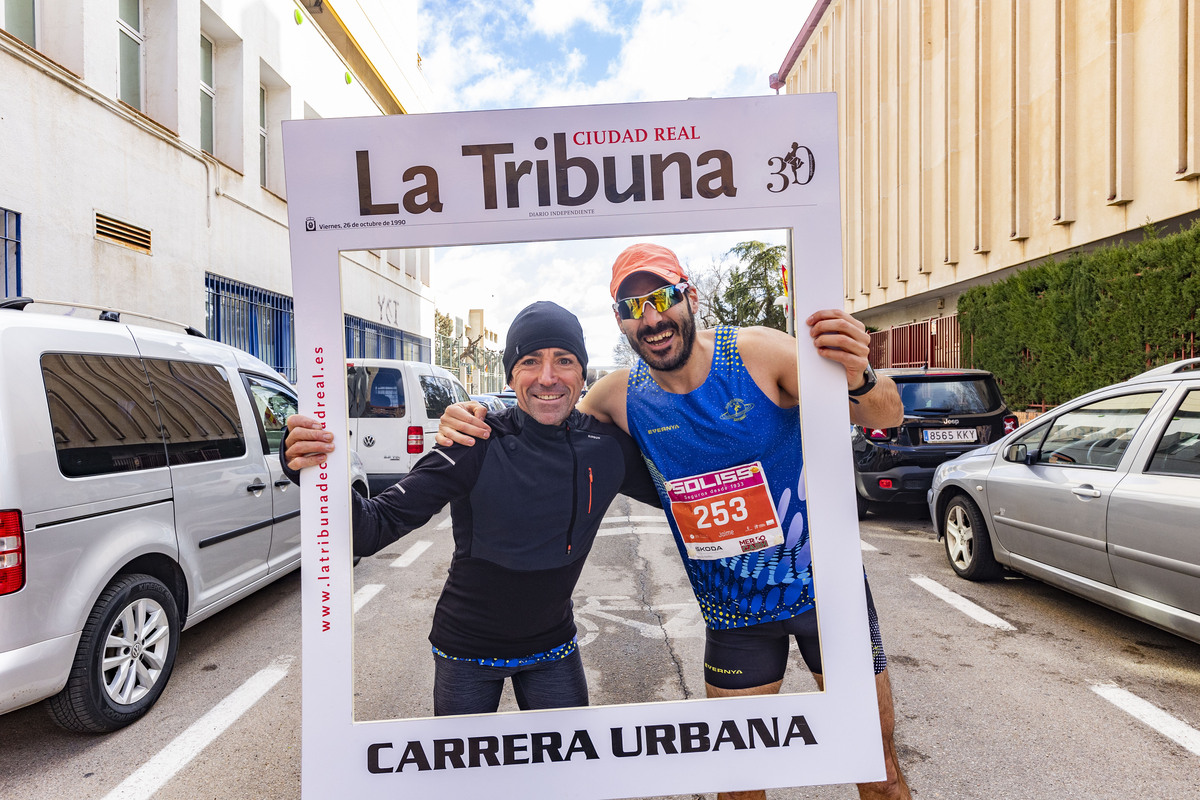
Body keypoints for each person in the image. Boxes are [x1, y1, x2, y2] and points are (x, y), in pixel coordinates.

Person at [439, 243, 910, 800]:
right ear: (619, 321)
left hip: (828, 597)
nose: (652, 318)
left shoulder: (759, 354)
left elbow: (887, 414)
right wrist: (470, 417)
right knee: (736, 785)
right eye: (632, 308)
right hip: (737, 618)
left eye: (662, 297)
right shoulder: (619, 395)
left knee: (876, 764)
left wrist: (857, 377)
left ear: (690, 296)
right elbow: (544, 425)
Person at [282, 301, 659, 717]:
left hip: (554, 648)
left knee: (568, 778)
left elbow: (687, 496)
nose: (547, 377)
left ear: (582, 373)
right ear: (511, 374)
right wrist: (315, 468)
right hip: (467, 654)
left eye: (564, 360)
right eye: (530, 361)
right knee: (462, 784)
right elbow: (372, 527)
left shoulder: (607, 449)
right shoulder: (474, 441)